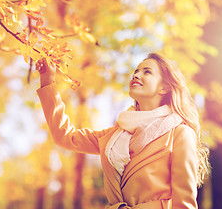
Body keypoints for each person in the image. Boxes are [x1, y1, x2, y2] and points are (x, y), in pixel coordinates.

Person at [35, 53, 210, 209]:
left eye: (147, 72)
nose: (136, 75)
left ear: (164, 87)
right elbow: (66, 137)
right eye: (136, 71)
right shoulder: (115, 136)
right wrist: (47, 81)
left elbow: (184, 204)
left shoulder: (180, 134)